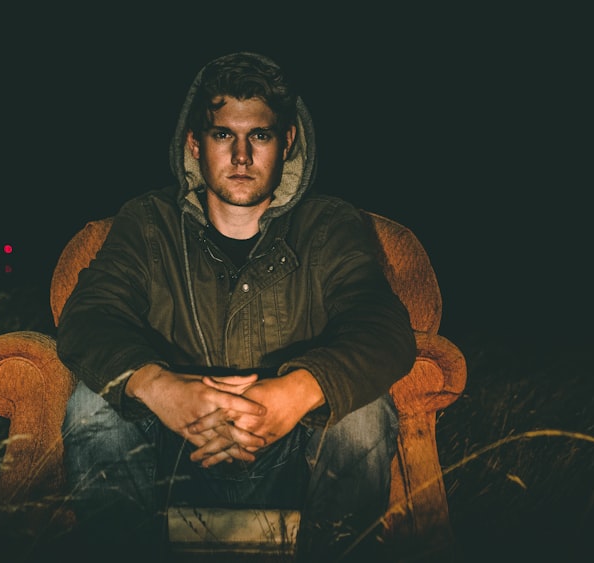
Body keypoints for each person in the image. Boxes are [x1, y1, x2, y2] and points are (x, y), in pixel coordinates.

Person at [56, 51, 416, 562]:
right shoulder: (149, 222)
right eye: (224, 134)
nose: (242, 156)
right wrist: (161, 388)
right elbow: (89, 317)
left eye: (260, 136)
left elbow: (381, 325)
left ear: (287, 141)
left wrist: (298, 390)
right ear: (194, 144)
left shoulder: (328, 224)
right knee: (93, 405)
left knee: (363, 411)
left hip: (290, 454)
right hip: (172, 453)